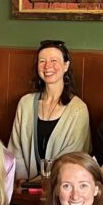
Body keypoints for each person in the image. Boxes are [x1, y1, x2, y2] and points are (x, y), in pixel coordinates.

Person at [9, 40, 91, 180]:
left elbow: (73, 156)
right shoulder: (25, 103)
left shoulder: (78, 109)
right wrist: (22, 183)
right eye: (42, 61)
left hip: (61, 190)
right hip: (23, 188)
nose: (47, 66)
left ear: (66, 65)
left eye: (54, 60)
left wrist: (42, 182)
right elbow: (15, 149)